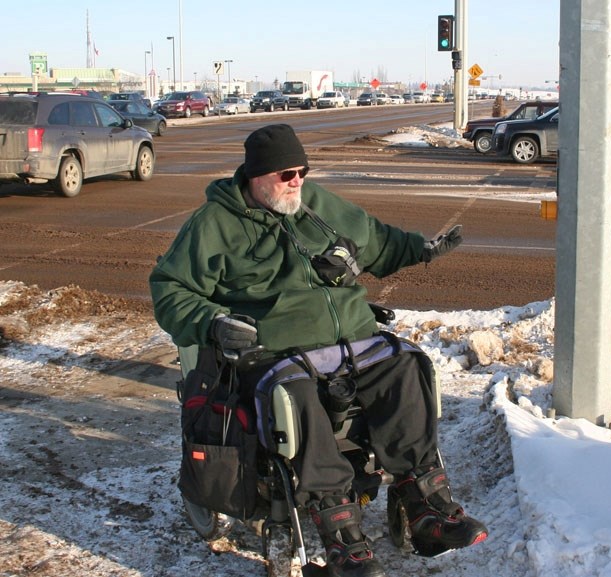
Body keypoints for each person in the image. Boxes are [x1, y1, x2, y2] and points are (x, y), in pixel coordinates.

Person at [150, 124, 488, 577]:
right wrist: (213, 322)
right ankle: (343, 539)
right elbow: (171, 290)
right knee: (296, 397)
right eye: (286, 173)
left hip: (349, 341)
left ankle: (426, 505)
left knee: (408, 366)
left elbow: (373, 238)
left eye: (303, 171)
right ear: (256, 176)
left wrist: (419, 250)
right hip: (273, 349)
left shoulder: (314, 205)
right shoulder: (214, 225)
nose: (297, 181)